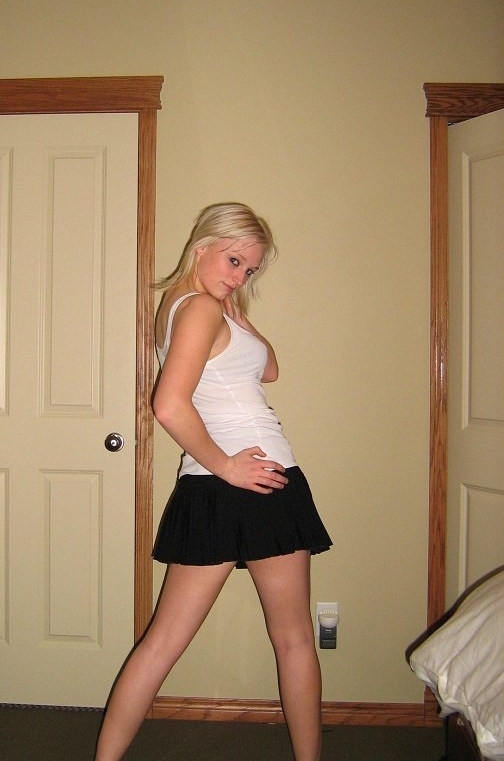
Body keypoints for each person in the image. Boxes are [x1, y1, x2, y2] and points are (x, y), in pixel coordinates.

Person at [94, 202, 332, 761]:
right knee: (294, 639)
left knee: (160, 645)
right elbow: (169, 405)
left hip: (216, 484)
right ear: (202, 245)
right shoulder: (201, 308)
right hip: (256, 476)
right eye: (233, 260)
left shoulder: (186, 306)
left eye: (250, 269)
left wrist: (236, 307)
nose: (239, 276)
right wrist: (226, 465)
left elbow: (269, 369)